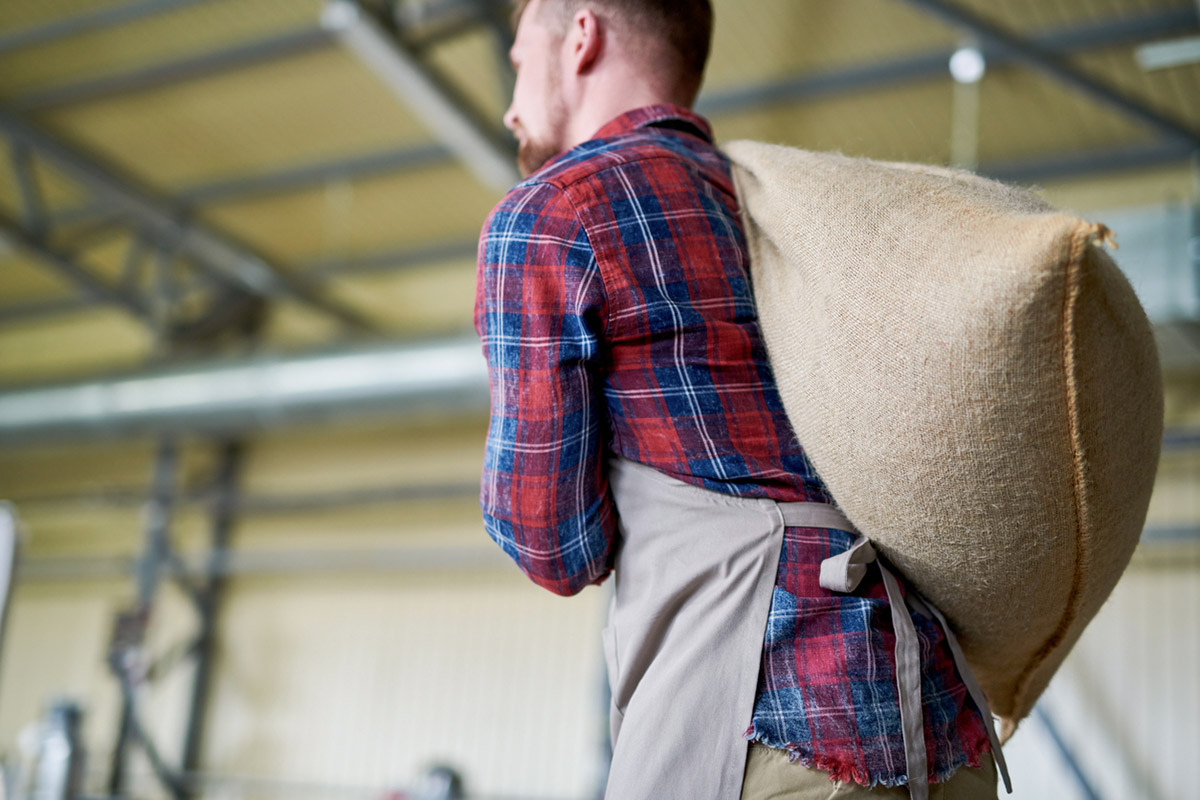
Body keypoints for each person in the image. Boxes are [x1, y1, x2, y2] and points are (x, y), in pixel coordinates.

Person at [473, 1, 1000, 798]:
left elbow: (555, 544)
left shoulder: (550, 215)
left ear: (581, 36)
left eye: (519, 63)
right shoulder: (777, 204)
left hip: (774, 722)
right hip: (940, 720)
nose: (511, 107)